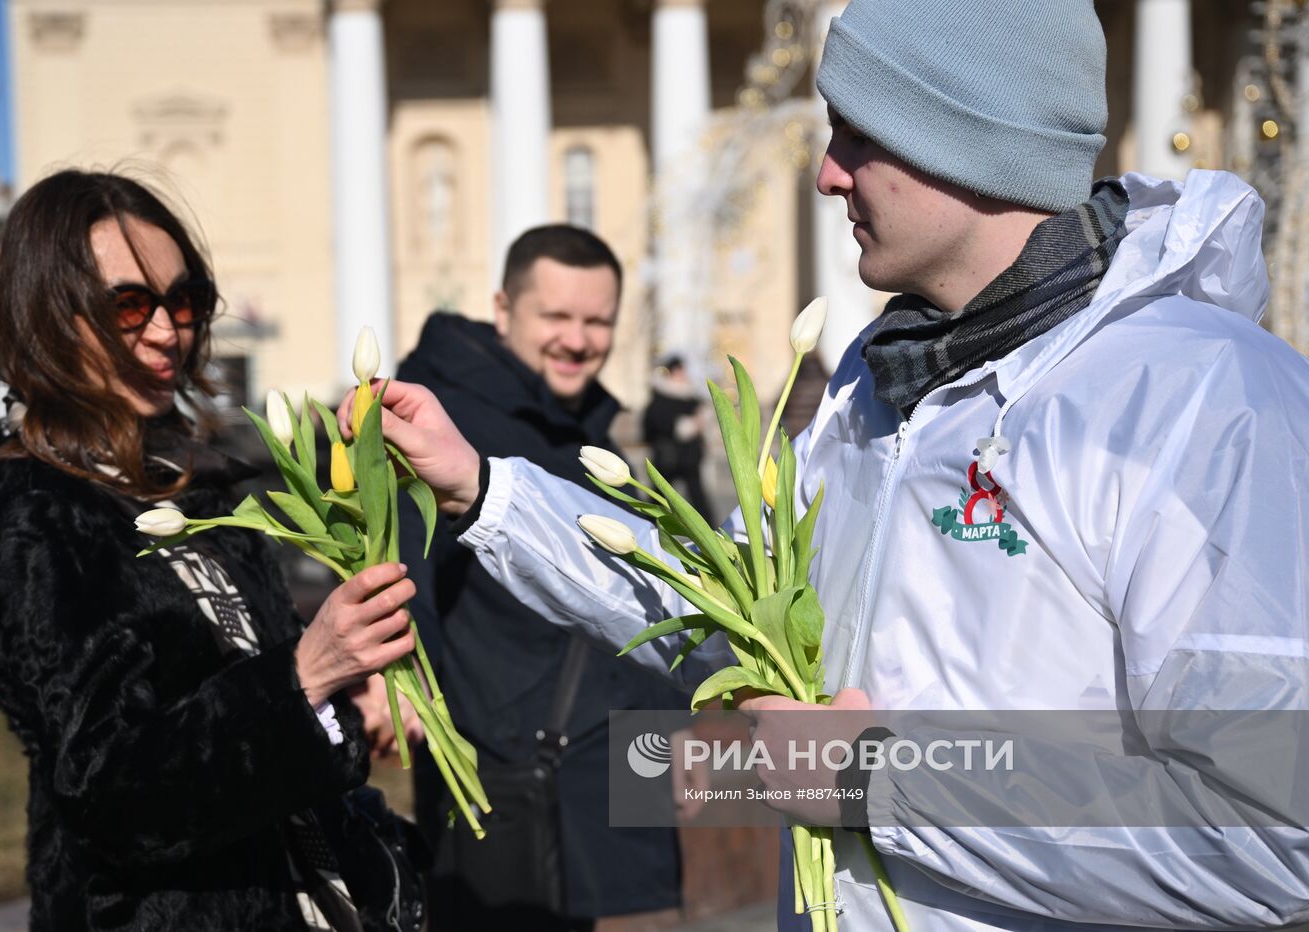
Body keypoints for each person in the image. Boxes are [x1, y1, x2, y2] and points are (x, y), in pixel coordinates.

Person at [361, 0, 1309, 929]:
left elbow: (1272, 831)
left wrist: (878, 777)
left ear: (963, 144)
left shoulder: (1206, 400)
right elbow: (732, 609)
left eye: (857, 138)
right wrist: (488, 491)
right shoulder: (876, 386)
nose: (825, 175)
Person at [0, 170, 425, 932]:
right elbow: (110, 790)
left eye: (183, 300)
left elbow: (246, 689)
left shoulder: (193, 482)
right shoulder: (36, 510)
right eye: (129, 305)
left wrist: (349, 697)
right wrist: (306, 674)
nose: (167, 330)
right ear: (45, 314)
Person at [379, 224, 686, 931]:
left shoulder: (591, 429)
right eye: (556, 317)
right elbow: (398, 563)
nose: (578, 340)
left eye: (597, 321)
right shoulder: (440, 421)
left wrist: (673, 734)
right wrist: (394, 684)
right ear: (503, 309)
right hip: (521, 795)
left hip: (624, 785)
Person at [642, 354, 711, 521]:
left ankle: (711, 531)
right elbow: (653, 424)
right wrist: (685, 426)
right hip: (669, 456)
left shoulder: (690, 395)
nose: (683, 374)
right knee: (660, 494)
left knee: (697, 495)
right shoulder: (661, 397)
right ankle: (649, 523)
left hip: (689, 456)